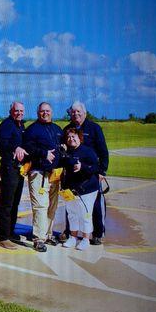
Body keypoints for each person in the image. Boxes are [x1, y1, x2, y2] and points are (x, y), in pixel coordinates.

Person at [61, 101, 109, 245]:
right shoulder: (67, 129)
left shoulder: (94, 128)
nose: (76, 114)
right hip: (72, 175)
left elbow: (103, 152)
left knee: (94, 206)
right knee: (72, 207)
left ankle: (97, 233)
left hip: (91, 174)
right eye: (73, 112)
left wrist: (102, 171)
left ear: (84, 113)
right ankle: (71, 233)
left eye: (78, 112)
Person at [22, 102, 63, 252]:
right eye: (42, 111)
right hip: (39, 173)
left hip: (55, 174)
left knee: (52, 206)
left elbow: (64, 147)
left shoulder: (58, 129)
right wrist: (44, 153)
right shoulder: (32, 130)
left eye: (47, 111)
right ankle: (38, 238)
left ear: (51, 112)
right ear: (38, 113)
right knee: (40, 206)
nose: (45, 113)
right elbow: (27, 148)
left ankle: (48, 233)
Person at [60, 128, 100, 250]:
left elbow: (95, 168)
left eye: (74, 137)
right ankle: (73, 237)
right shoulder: (67, 152)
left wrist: (82, 166)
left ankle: (86, 239)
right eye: (69, 137)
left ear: (80, 138)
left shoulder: (88, 151)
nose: (71, 139)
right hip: (71, 189)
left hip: (87, 189)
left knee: (85, 214)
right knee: (72, 214)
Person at [0, 102, 28, 250]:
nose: (19, 113)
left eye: (21, 111)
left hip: (19, 169)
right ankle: (2, 237)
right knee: (7, 203)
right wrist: (15, 147)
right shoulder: (7, 125)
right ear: (11, 111)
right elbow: (0, 144)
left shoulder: (21, 125)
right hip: (9, 168)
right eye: (16, 111)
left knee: (15, 202)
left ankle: (10, 232)